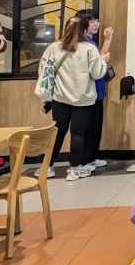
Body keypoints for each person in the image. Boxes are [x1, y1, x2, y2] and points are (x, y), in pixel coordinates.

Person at [38, 17, 109, 181]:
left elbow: (45, 72)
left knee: (57, 132)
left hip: (60, 98)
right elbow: (97, 73)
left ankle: (48, 167)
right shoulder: (89, 48)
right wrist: (103, 61)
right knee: (78, 133)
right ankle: (75, 169)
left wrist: (45, 97)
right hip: (83, 98)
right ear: (85, 30)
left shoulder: (54, 47)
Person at [75, 10, 113, 174]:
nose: (96, 24)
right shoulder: (82, 43)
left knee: (96, 127)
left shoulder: (91, 42)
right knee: (87, 128)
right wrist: (107, 41)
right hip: (88, 92)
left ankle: (91, 157)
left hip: (98, 90)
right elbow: (97, 63)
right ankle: (82, 161)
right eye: (91, 22)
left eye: (96, 20)